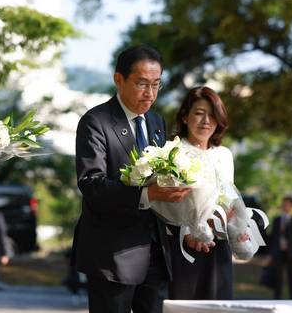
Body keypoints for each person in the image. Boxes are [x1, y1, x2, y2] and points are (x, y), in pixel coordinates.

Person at [73, 44, 191, 313]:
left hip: (155, 251)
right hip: (112, 255)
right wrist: (147, 195)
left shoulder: (156, 122)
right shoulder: (96, 121)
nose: (149, 94)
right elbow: (92, 184)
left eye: (156, 85)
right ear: (119, 79)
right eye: (141, 84)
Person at [167, 86, 235, 299]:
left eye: (213, 115)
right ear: (185, 117)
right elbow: (167, 202)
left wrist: (235, 223)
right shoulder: (171, 151)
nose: (206, 120)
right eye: (199, 113)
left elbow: (229, 198)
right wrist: (189, 232)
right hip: (183, 246)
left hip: (219, 243)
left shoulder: (224, 155)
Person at [269, 196, 292, 299]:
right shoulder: (277, 220)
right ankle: (277, 299)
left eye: (287, 204)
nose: (285, 206)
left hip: (291, 253)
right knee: (278, 278)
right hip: (278, 252)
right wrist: (271, 253)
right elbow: (273, 237)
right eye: (284, 204)